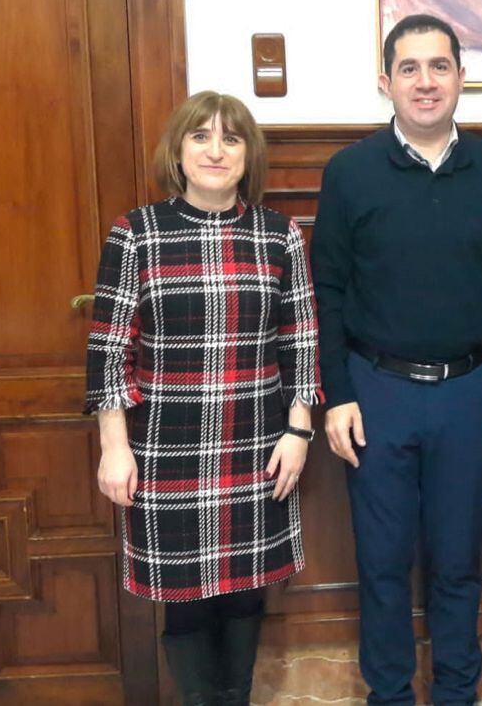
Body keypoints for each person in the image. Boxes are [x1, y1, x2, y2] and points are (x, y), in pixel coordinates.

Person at [310, 14, 482, 705]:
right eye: (409, 68)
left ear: (461, 78)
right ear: (386, 82)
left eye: (439, 66)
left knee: (459, 560)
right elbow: (329, 291)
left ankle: (456, 694)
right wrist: (338, 394)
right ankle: (390, 696)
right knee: (382, 564)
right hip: (378, 393)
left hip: (471, 390)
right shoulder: (349, 172)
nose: (426, 82)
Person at [85, 91, 321, 706]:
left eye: (232, 139)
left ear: (249, 155)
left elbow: (301, 341)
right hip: (167, 450)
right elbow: (109, 350)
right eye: (201, 137)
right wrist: (114, 448)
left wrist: (299, 431)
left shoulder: (280, 237)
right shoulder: (135, 234)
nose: (216, 150)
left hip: (257, 445)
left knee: (246, 595)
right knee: (185, 602)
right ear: (179, 151)